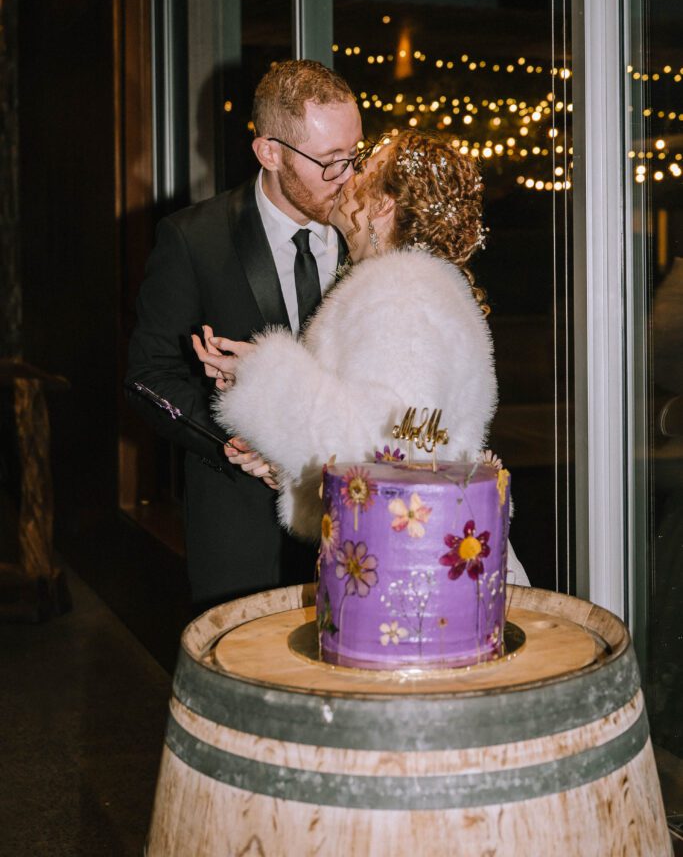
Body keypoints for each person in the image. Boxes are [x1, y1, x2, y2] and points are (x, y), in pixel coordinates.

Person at [194, 130, 529, 585]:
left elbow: (379, 454)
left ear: (384, 204)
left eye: (364, 168)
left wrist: (261, 372)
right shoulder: (413, 286)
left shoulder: (401, 292)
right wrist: (279, 460)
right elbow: (393, 443)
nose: (347, 176)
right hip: (419, 552)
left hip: (414, 572)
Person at [126, 59, 366, 609]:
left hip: (359, 521)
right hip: (241, 529)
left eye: (354, 154)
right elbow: (148, 376)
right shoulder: (193, 239)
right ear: (269, 153)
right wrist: (239, 437)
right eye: (330, 161)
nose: (348, 177)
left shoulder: (369, 230)